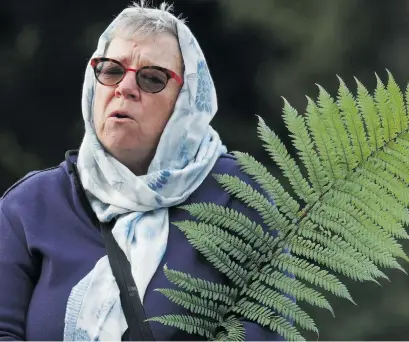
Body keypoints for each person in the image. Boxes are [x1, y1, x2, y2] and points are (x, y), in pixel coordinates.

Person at [0, 1, 284, 340]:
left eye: (151, 78)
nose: (125, 87)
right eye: (110, 70)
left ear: (187, 101)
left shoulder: (234, 193)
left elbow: (265, 329)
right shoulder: (30, 206)